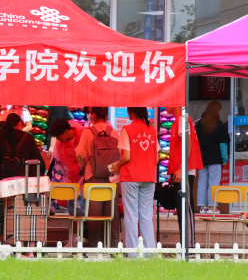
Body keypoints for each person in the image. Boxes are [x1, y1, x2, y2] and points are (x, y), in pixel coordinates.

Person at [110, 107, 160, 250]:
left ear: (131, 113)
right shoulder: (152, 130)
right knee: (146, 216)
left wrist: (116, 166)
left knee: (131, 216)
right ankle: (150, 252)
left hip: (130, 177)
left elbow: (126, 156)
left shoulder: (127, 129)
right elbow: (156, 158)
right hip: (149, 177)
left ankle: (132, 252)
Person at [76, 107, 121, 247]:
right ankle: (113, 245)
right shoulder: (114, 133)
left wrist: (85, 165)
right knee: (112, 213)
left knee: (94, 214)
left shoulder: (87, 132)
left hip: (93, 176)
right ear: (106, 116)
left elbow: (79, 153)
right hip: (112, 178)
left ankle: (95, 245)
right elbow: (120, 154)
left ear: (93, 115)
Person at [167, 108, 203, 248]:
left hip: (184, 170)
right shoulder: (181, 119)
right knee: (183, 209)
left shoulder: (183, 118)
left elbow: (188, 143)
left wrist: (182, 168)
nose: (166, 105)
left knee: (185, 209)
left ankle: (189, 246)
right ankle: (186, 246)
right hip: (181, 170)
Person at [195, 101, 229, 213]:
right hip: (215, 158)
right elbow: (223, 144)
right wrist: (224, 159)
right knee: (213, 183)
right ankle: (212, 207)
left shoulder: (199, 124)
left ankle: (202, 207)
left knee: (202, 182)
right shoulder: (219, 125)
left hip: (201, 158)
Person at [0, 113, 45, 178]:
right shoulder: (28, 137)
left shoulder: (1, 137)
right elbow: (38, 160)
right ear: (19, 123)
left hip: (6, 177)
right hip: (24, 177)